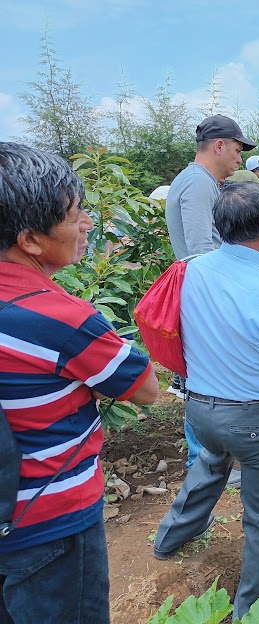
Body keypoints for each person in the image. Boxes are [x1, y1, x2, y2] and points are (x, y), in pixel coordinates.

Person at [0, 142, 159, 623]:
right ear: (31, 240)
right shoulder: (61, 318)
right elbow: (146, 388)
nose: (88, 223)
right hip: (50, 522)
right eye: (75, 214)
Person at [153, 182, 259, 622]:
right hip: (254, 423)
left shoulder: (190, 270)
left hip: (201, 410)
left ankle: (168, 539)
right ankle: (253, 613)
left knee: (210, 463)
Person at [165, 114, 255, 483]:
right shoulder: (199, 184)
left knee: (205, 381)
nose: (238, 158)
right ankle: (200, 465)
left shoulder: (198, 181)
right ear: (219, 145)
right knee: (202, 384)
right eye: (236, 149)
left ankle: (209, 462)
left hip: (201, 293)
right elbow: (201, 251)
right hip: (204, 296)